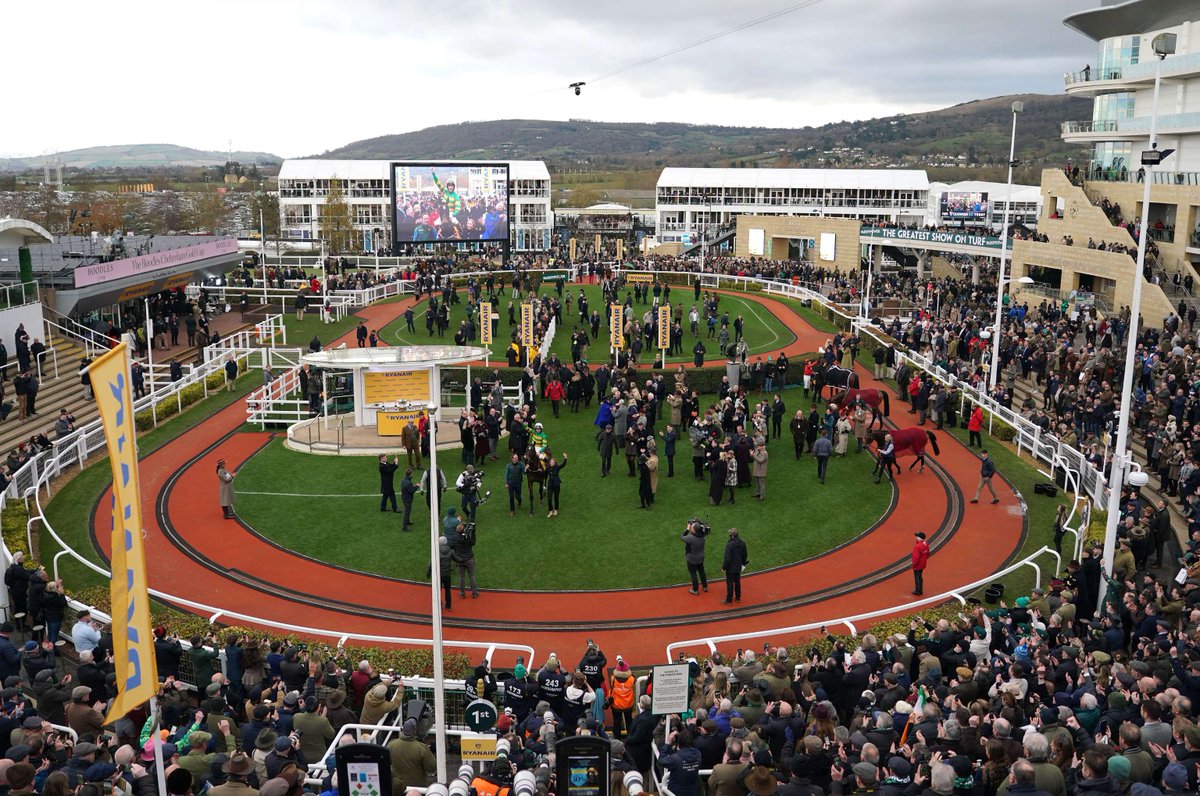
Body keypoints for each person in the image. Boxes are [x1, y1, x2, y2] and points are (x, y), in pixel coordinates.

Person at [451, 522, 478, 599]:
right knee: (472, 576)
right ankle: (474, 593)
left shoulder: (454, 538)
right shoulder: (467, 539)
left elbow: (453, 546)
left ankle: (462, 593)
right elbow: (473, 542)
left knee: (461, 577)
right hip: (469, 559)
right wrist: (472, 533)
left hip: (459, 559)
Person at [721, 527, 748, 605]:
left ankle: (729, 600)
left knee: (730, 583)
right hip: (738, 567)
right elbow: (745, 555)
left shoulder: (729, 545)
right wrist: (742, 563)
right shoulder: (742, 543)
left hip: (730, 568)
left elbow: (727, 558)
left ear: (732, 536)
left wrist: (724, 567)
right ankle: (738, 598)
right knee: (737, 582)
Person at [682, 520, 707, 595]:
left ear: (694, 530)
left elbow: (682, 537)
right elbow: (702, 529)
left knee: (693, 574)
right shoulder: (703, 535)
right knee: (702, 571)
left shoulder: (690, 538)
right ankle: (705, 587)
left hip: (692, 559)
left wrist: (687, 529)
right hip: (701, 558)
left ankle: (695, 590)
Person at [546, 452, 567, 517]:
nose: (552, 463)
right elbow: (545, 461)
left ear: (555, 463)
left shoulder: (557, 467)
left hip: (556, 484)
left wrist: (565, 458)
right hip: (550, 485)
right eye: (551, 462)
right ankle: (550, 511)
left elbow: (563, 465)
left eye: (553, 462)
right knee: (549, 499)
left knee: (556, 497)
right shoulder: (548, 467)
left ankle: (556, 509)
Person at [911, 531, 929, 596]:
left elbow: (916, 557)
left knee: (917, 577)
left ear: (919, 538)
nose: (916, 537)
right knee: (920, 576)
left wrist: (914, 564)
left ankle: (917, 590)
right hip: (923, 563)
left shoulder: (917, 547)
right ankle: (920, 590)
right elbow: (927, 554)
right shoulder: (926, 544)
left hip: (918, 564)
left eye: (917, 536)